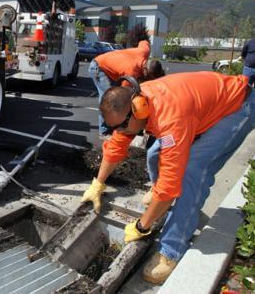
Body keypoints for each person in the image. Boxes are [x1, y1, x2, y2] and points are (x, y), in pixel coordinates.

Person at [81, 72, 254, 284]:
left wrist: (142, 226)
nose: (119, 132)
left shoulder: (170, 118)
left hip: (238, 108)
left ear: (138, 109)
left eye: (122, 126)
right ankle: (159, 199)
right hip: (201, 109)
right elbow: (118, 144)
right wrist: (98, 184)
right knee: (155, 154)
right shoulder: (136, 104)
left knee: (193, 171)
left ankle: (171, 250)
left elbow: (172, 183)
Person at [89, 40, 165, 137]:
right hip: (99, 67)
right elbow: (123, 97)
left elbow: (144, 41)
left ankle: (112, 127)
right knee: (109, 100)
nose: (148, 79)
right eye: (148, 77)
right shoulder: (131, 72)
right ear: (145, 70)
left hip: (112, 68)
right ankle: (104, 132)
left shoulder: (144, 51)